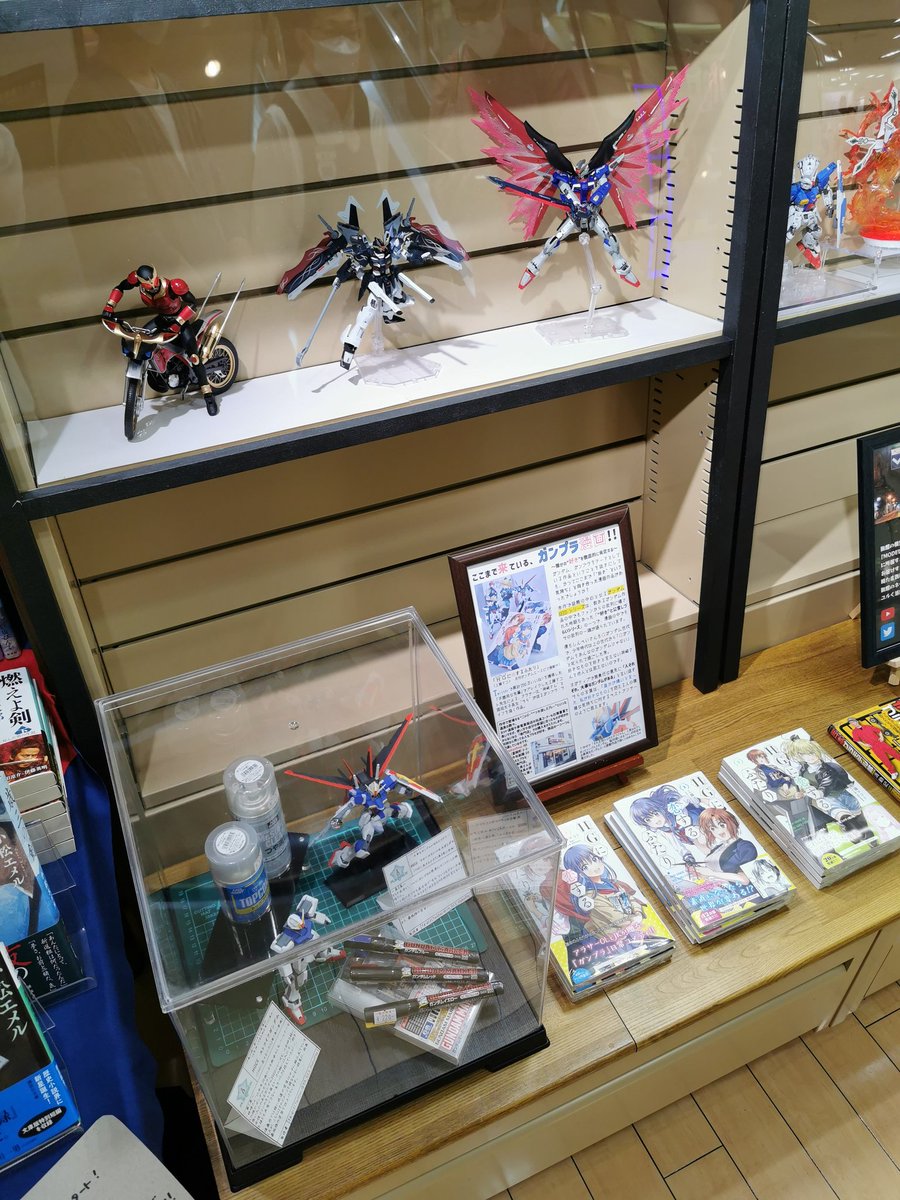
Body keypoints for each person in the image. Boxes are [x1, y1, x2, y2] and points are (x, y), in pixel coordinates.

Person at [102, 264, 216, 412]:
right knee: (140, 340)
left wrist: (178, 323)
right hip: (162, 319)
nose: (152, 287)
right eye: (148, 285)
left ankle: (208, 394)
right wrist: (109, 306)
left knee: (194, 357)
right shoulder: (135, 279)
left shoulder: (173, 286)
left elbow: (193, 303)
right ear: (140, 281)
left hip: (179, 320)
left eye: (154, 283)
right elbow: (120, 287)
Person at [696, 807, 758, 880]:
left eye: (722, 825)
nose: (719, 831)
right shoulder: (719, 847)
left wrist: (712, 873)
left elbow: (744, 879)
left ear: (732, 823)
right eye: (713, 828)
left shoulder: (745, 847)